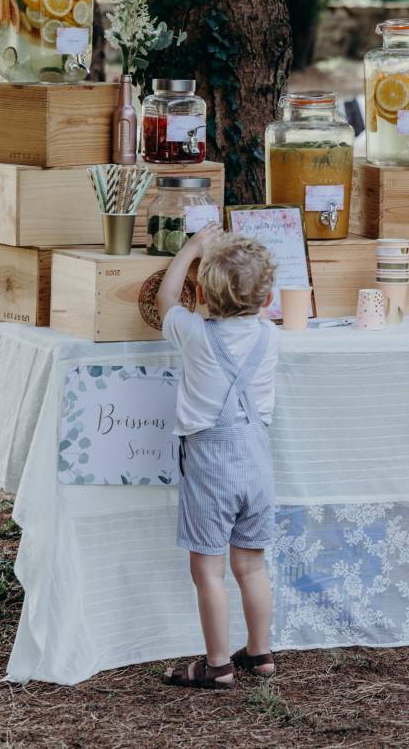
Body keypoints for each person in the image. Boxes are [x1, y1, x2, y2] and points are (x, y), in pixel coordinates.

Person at [156, 225, 281, 689]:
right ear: (267, 300)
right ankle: (260, 652)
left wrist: (191, 249)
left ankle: (217, 664)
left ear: (203, 296)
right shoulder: (270, 337)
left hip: (211, 464)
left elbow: (165, 300)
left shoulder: (192, 332)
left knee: (207, 568)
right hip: (256, 461)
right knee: (251, 565)